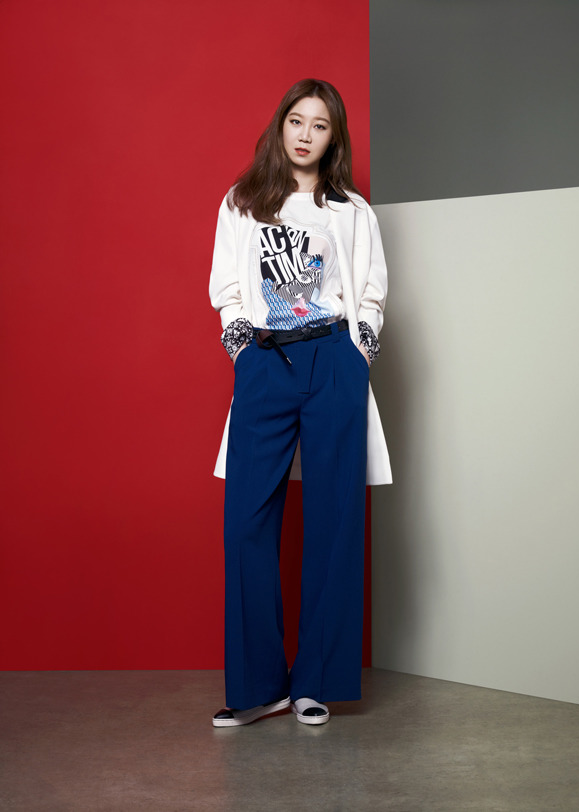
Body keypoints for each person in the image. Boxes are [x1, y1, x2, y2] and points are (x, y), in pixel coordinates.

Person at [208, 78, 392, 727]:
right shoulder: (243, 201)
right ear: (280, 125)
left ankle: (316, 680)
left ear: (333, 137)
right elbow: (227, 288)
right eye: (296, 120)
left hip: (333, 359)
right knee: (247, 521)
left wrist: (358, 352)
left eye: (320, 124)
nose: (306, 134)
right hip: (266, 361)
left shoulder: (352, 211)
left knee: (335, 520)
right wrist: (244, 354)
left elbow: (371, 290)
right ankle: (259, 687)